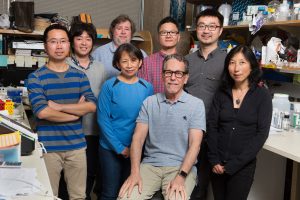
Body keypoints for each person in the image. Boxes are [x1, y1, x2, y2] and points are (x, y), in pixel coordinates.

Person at [118, 54, 206, 200]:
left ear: (185, 78)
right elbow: (137, 139)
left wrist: (181, 176)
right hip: (150, 166)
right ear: (162, 76)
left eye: (178, 73)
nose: (173, 78)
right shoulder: (149, 102)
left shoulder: (196, 105)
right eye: (168, 72)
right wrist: (134, 173)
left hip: (180, 167)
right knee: (125, 197)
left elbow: (195, 146)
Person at [27, 24, 97, 200]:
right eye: (53, 41)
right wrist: (77, 113)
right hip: (48, 149)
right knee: (48, 196)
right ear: (45, 46)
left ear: (69, 45)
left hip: (77, 148)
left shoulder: (80, 76)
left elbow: (91, 106)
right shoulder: (36, 78)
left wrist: (59, 107)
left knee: (79, 197)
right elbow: (42, 112)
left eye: (63, 41)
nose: (59, 46)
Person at [207, 45, 272, 200]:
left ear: (251, 65)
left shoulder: (262, 95)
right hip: (217, 164)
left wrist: (234, 165)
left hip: (242, 167)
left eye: (242, 62)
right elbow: (212, 126)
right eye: (232, 62)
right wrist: (214, 159)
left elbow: (261, 134)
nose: (236, 68)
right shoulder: (221, 93)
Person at [97, 43, 153, 200]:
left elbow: (148, 119)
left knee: (129, 192)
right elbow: (103, 120)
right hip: (110, 148)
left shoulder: (147, 87)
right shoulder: (109, 86)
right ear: (117, 64)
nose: (129, 65)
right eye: (124, 61)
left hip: (136, 149)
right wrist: (120, 148)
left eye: (133, 60)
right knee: (110, 192)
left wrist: (134, 148)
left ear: (140, 62)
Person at [184, 9, 226, 200]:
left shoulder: (229, 62)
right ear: (196, 30)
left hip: (215, 133)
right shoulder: (186, 61)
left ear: (220, 30)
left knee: (213, 185)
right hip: (187, 130)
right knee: (189, 183)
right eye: (202, 26)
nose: (206, 30)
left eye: (212, 26)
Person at [66, 22, 106, 200]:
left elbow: (103, 99)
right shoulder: (64, 64)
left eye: (88, 39)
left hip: (93, 130)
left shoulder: (100, 67)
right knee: (67, 173)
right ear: (72, 41)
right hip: (68, 129)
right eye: (79, 38)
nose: (84, 42)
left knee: (90, 171)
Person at [92, 14, 147, 80]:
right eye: (119, 28)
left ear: (131, 33)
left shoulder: (142, 54)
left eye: (127, 29)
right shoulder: (98, 53)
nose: (123, 32)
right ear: (112, 31)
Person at [138, 16, 180, 94]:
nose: (168, 35)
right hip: (152, 105)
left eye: (172, 32)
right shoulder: (146, 62)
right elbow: (142, 91)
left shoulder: (185, 62)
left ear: (178, 37)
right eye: (164, 32)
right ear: (158, 37)